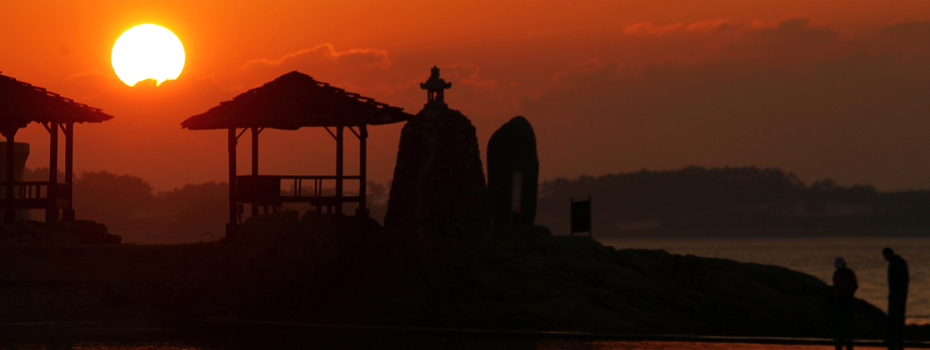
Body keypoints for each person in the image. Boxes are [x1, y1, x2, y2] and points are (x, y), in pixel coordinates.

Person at [883, 247, 909, 350]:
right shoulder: (900, 262)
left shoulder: (895, 263)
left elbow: (898, 280)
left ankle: (893, 337)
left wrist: (896, 292)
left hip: (896, 295)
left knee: (894, 316)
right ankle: (898, 337)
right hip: (900, 294)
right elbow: (906, 279)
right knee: (899, 316)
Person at [833, 257, 858, 350]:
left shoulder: (849, 273)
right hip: (840, 298)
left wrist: (848, 293)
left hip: (847, 298)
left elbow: (854, 285)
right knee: (839, 318)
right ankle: (840, 336)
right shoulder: (837, 273)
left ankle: (847, 336)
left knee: (847, 318)